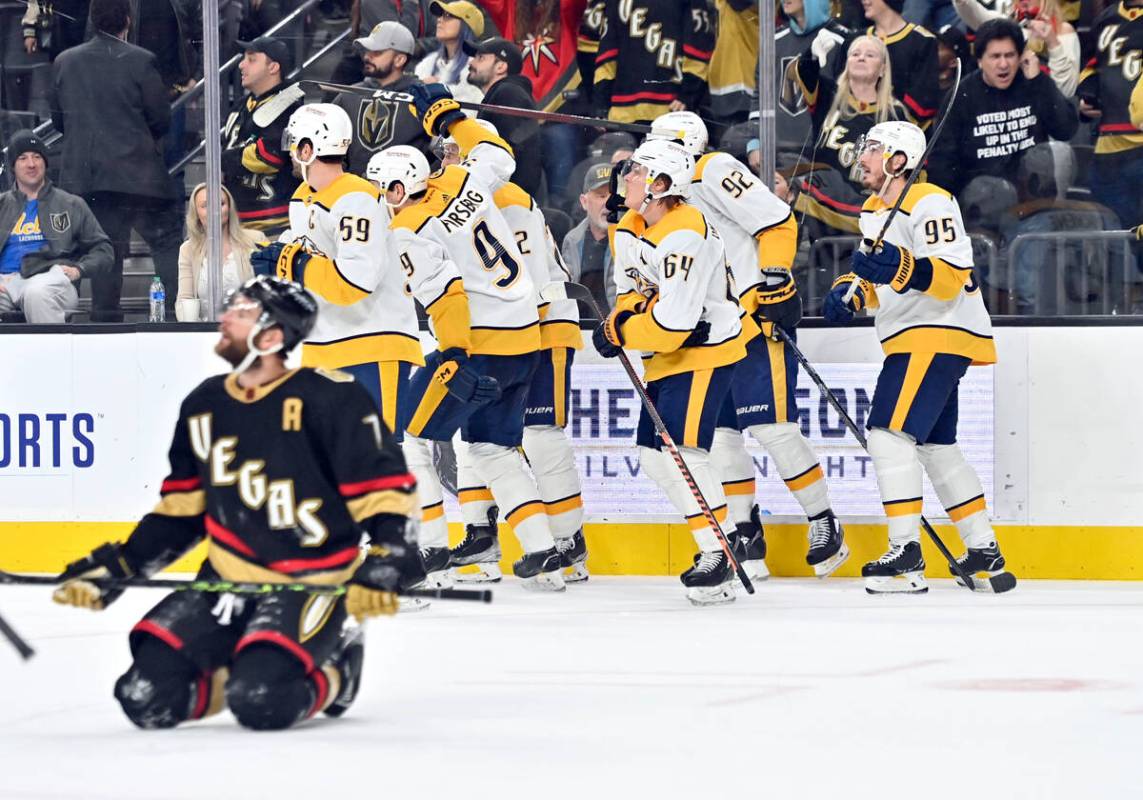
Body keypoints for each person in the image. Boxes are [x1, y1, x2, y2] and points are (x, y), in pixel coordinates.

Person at [51, 275, 423, 731]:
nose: (225, 318)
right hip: (225, 581)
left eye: (241, 312)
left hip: (312, 583)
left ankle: (338, 672)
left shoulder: (331, 398)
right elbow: (182, 512)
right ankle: (241, 661)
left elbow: (384, 492)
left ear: (271, 336)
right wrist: (118, 568)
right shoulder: (204, 404)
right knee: (143, 698)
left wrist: (387, 563)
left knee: (263, 701)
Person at [368, 84, 570, 590]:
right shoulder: (462, 181)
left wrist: (454, 354)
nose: (379, 202)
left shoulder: (408, 227)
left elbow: (446, 293)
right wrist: (449, 117)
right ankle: (543, 553)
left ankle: (428, 550)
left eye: (380, 191)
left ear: (397, 189)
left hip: (476, 345)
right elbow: (498, 152)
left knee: (412, 439)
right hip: (525, 341)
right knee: (491, 449)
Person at [648, 111, 848, 581]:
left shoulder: (711, 168)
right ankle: (744, 532)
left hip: (754, 320)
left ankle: (824, 521)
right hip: (709, 333)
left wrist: (776, 280)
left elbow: (776, 220)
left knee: (773, 427)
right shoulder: (663, 204)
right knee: (719, 438)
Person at [822, 120, 1010, 594]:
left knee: (888, 434)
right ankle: (983, 546)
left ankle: (905, 552)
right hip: (925, 333)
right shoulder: (874, 209)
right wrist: (850, 292)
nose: (861, 156)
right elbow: (876, 276)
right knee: (934, 445)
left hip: (934, 331)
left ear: (898, 159)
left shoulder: (930, 200)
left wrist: (895, 267)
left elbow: (947, 276)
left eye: (872, 149)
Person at [428, 118, 587, 583]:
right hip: (500, 333)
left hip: (543, 325)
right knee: (482, 437)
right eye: (445, 154)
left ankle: (567, 541)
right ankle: (481, 533)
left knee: (540, 433)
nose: (447, 162)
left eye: (456, 153)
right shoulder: (461, 205)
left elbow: (521, 281)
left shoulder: (509, 201)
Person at [594, 138, 751, 606]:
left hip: (704, 351)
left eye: (638, 172)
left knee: (684, 451)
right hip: (665, 356)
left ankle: (718, 550)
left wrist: (622, 329)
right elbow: (630, 294)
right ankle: (718, 543)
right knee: (653, 456)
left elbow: (675, 324)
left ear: (661, 185)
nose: (628, 178)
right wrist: (624, 320)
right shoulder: (632, 223)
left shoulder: (685, 234)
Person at [251, 103, 423, 445]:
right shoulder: (302, 197)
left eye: (293, 145)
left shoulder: (357, 199)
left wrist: (295, 265)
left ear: (308, 148)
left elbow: (354, 282)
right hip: (324, 344)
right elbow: (306, 261)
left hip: (373, 343)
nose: (289, 156)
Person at [51, 0, 183, 321]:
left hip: (88, 178)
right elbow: (161, 118)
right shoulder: (141, 60)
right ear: (127, 20)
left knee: (107, 251)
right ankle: (173, 313)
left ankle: (105, 321)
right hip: (139, 176)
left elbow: (58, 121)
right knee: (166, 240)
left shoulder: (65, 61)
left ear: (93, 20)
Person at [927, 19, 1078, 195]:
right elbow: (942, 162)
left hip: (1034, 201)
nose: (1003, 64)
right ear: (980, 61)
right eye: (995, 56)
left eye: (1010, 55)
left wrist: (1039, 82)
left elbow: (1066, 129)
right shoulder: (960, 96)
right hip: (981, 208)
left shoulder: (1034, 84)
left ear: (1021, 56)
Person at [784, 33, 907, 236]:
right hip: (820, 211)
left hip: (863, 212)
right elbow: (804, 72)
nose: (861, 58)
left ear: (883, 68)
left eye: (870, 55)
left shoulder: (896, 115)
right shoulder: (828, 95)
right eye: (855, 54)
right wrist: (811, 55)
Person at [0, 129, 112, 323]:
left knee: (37, 293)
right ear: (12, 167)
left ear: (45, 162)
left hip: (50, 279)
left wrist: (79, 269)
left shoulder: (71, 204)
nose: (32, 164)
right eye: (23, 158)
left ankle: (48, 353)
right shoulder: (2, 204)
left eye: (37, 157)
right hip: (5, 281)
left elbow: (104, 251)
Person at [221, 36, 303, 237]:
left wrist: (225, 159)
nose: (241, 65)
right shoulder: (243, 104)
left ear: (273, 67)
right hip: (239, 222)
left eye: (251, 59)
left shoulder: (288, 104)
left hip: (275, 225)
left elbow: (268, 156)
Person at [1076, 0, 1143, 232]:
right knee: (1115, 238)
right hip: (1108, 149)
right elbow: (1091, 66)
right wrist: (1087, 95)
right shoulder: (1105, 19)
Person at [592, 0, 714, 124]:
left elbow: (698, 48)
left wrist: (687, 96)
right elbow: (608, 53)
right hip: (624, 112)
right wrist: (601, 105)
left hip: (670, 111)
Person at [334, 21, 432, 176]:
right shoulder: (349, 94)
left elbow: (440, 151)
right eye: (367, 51)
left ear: (400, 60)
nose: (367, 56)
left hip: (403, 194)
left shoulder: (423, 99)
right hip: (351, 191)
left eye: (377, 52)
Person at [464, 36, 543, 197]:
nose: (471, 63)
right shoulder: (504, 93)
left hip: (506, 201)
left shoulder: (508, 94)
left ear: (500, 67)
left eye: (480, 58)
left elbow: (509, 154)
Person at [951, 0, 1080, 98]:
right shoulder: (1009, 25)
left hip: (1044, 118)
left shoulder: (1063, 30)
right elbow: (978, 16)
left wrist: (1053, 43)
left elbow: (1066, 91)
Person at [776, 0, 850, 159]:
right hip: (775, 145)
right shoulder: (774, 39)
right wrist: (755, 141)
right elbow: (760, 94)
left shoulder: (842, 39)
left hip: (819, 147)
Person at [177, 184, 264, 307]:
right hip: (204, 326)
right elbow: (184, 300)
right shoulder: (188, 249)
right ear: (196, 213)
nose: (214, 210)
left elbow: (270, 295)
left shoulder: (256, 240)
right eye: (206, 205)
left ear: (229, 208)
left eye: (221, 203)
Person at [857, 0, 940, 129]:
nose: (864, 1)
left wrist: (889, 130)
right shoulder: (855, 40)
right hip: (855, 131)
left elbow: (923, 104)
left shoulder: (923, 41)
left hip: (901, 134)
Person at [561, 162, 614, 315]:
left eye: (613, 196)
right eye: (601, 196)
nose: (608, 203)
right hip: (580, 327)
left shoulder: (631, 238)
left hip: (618, 329)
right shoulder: (572, 240)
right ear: (584, 202)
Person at [414, 0, 485, 106]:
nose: (439, 20)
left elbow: (472, 108)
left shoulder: (477, 66)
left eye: (448, 15)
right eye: (440, 15)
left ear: (466, 24)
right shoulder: (427, 63)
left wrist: (435, 91)